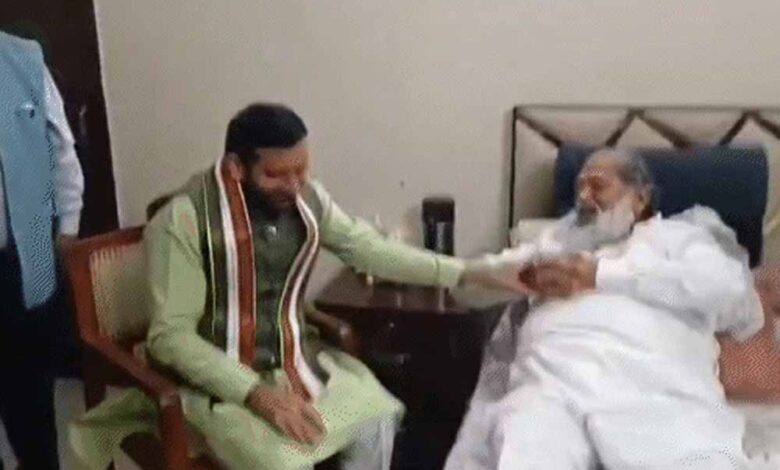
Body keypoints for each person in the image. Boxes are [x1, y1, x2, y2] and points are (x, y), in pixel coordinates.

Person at [69, 103, 518, 470]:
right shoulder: (181, 222)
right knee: (283, 460)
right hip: (214, 384)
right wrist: (256, 394)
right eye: (277, 175)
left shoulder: (307, 198)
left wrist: (467, 272)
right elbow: (171, 338)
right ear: (236, 168)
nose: (294, 185)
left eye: (302, 170)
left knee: (377, 420)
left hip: (292, 361)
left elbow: (368, 249)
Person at [445, 148, 764, 470]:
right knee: (524, 435)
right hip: (552, 387)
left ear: (640, 198)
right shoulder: (555, 243)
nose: (584, 197)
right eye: (580, 188)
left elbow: (728, 293)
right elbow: (465, 287)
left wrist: (598, 275)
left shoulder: (679, 239)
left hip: (652, 390)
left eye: (598, 186)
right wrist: (519, 276)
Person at [0, 31, 85, 469]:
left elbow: (61, 150)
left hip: (22, 258)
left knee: (31, 402)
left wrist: (68, 229)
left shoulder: (23, 59)